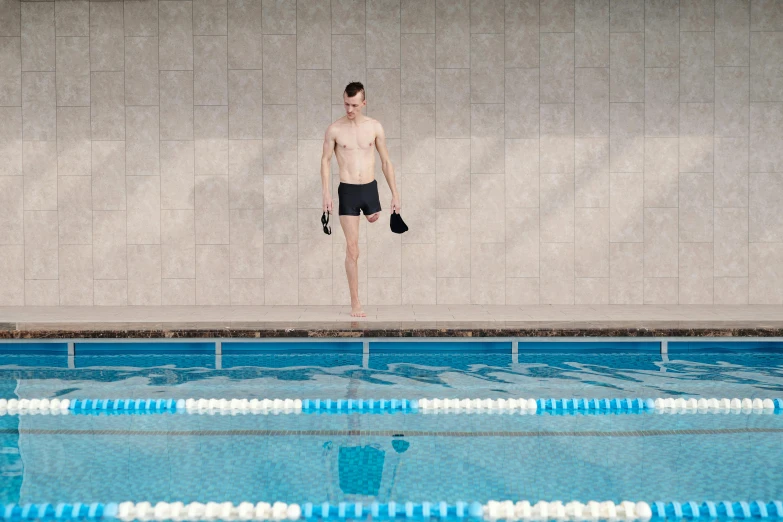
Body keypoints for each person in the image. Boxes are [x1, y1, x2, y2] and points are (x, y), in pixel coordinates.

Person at [321, 82, 401, 318]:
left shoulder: (374, 127)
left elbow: (386, 162)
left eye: (354, 105)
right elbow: (325, 160)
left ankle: (371, 211)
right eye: (346, 103)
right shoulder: (334, 129)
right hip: (347, 190)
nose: (349, 109)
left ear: (363, 103)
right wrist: (326, 192)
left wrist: (395, 194)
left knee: (374, 216)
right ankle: (355, 302)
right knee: (353, 249)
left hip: (369, 188)